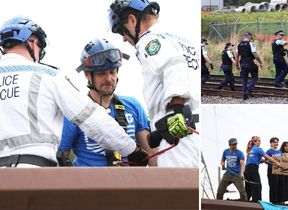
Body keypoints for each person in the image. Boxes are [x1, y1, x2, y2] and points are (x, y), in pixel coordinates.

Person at [0, 16, 147, 167]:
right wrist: (132, 149)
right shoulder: (48, 75)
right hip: (34, 172)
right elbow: (92, 119)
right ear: (32, 42)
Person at [109, 0, 199, 167]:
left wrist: (175, 111)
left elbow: (174, 66)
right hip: (191, 125)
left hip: (178, 131)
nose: (123, 38)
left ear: (132, 20)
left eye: (122, 30)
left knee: (176, 188)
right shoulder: (179, 38)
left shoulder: (149, 41)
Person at [59, 38, 154, 166]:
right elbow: (60, 157)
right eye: (102, 73)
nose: (109, 78)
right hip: (88, 184)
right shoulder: (75, 111)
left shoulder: (133, 106)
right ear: (87, 75)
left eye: (112, 72)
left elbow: (152, 155)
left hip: (129, 183)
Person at [245, 136, 281, 202]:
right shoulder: (258, 149)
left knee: (249, 185)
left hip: (247, 169)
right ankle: (257, 202)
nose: (260, 142)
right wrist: (277, 163)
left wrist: (264, 161)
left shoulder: (251, 149)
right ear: (254, 142)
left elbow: (255, 159)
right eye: (258, 141)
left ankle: (247, 200)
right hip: (252, 168)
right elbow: (267, 157)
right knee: (257, 185)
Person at [236, 32, 263, 100]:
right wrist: (260, 62)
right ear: (249, 36)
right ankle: (249, 90)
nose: (251, 38)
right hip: (250, 63)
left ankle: (244, 94)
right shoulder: (251, 44)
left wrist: (237, 64)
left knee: (244, 79)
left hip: (242, 63)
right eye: (251, 36)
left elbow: (237, 55)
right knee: (254, 77)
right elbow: (255, 55)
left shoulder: (238, 44)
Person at [265, 137, 282, 204]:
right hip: (271, 170)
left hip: (279, 171)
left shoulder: (280, 152)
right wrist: (271, 160)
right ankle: (273, 201)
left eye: (277, 142)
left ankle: (279, 201)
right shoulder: (268, 151)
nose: (276, 143)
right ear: (271, 143)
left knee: (279, 185)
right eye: (274, 142)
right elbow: (266, 161)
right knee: (272, 186)